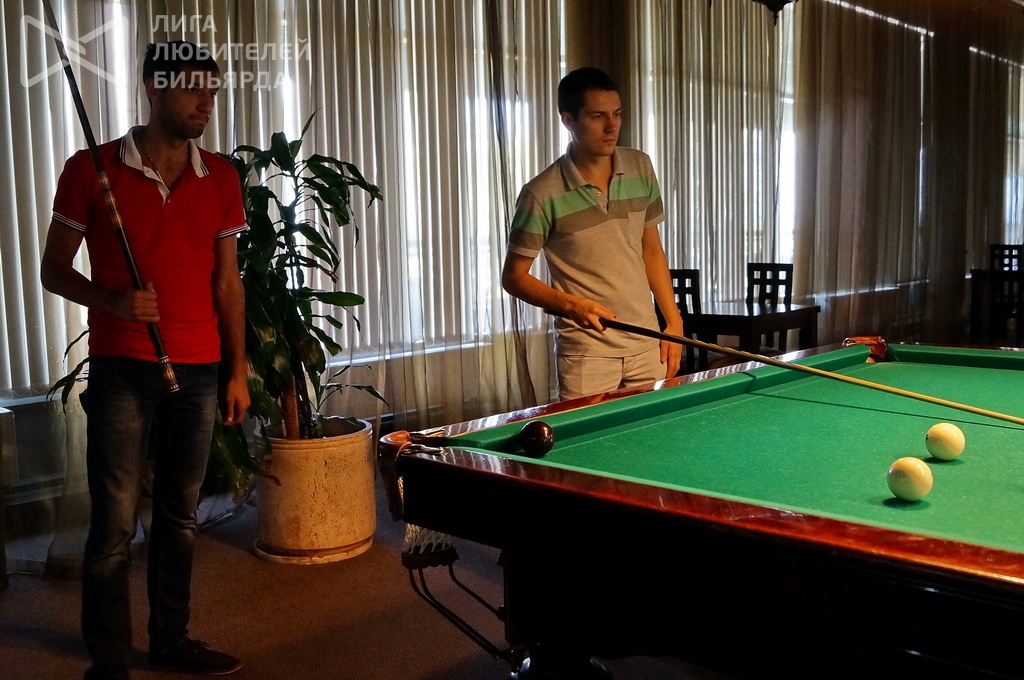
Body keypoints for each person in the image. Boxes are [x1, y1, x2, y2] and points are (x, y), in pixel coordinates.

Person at [40, 41, 249, 679]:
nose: (205, 103)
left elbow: (227, 283)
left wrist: (237, 370)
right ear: (154, 88)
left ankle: (170, 640)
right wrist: (113, 301)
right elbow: (53, 270)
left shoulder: (221, 176)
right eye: (192, 89)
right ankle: (108, 663)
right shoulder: (90, 169)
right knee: (113, 524)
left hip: (200, 368)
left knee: (180, 517)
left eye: (211, 92)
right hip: (123, 367)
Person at [502, 66, 683, 401]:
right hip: (587, 355)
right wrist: (571, 304)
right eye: (597, 116)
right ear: (568, 120)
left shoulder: (641, 166)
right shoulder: (540, 193)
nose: (612, 126)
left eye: (617, 113)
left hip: (648, 344)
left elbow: (651, 250)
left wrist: (673, 323)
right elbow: (513, 277)